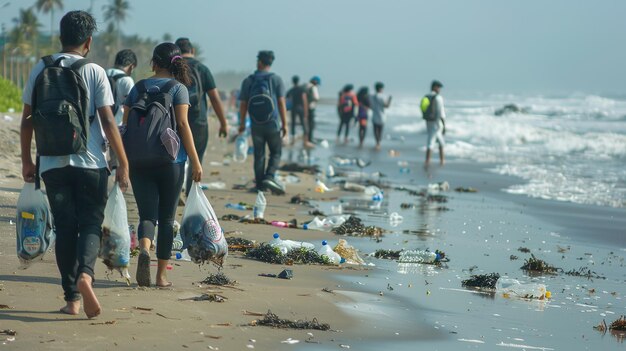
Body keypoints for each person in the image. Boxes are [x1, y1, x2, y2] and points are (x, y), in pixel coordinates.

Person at [20, 10, 129, 319]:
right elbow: (108, 121)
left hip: (52, 163)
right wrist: (123, 163)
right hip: (91, 162)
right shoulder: (94, 71)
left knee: (65, 228)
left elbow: (27, 120)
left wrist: (28, 160)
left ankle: (72, 300)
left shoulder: (40, 67)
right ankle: (85, 275)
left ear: (60, 37)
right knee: (91, 223)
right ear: (89, 41)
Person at [122, 42, 203, 287]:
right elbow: (183, 125)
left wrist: (123, 161)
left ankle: (144, 248)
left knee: (147, 215)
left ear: (154, 63)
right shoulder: (178, 89)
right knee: (167, 218)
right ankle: (161, 276)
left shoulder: (138, 87)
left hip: (138, 160)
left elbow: (126, 127)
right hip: (171, 161)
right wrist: (196, 161)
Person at [174, 38, 228, 196]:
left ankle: (174, 195)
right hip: (198, 120)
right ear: (193, 51)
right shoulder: (202, 69)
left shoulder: (174, 68)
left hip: (175, 120)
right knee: (195, 159)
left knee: (175, 158)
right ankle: (191, 195)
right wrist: (223, 123)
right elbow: (214, 98)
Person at [238, 50, 287, 194]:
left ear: (259, 62)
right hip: (272, 123)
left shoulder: (249, 80)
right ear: (270, 63)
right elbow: (281, 103)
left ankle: (260, 185)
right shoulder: (276, 79)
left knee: (259, 154)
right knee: (276, 152)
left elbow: (243, 104)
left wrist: (242, 123)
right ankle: (270, 177)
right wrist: (285, 124)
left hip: (255, 123)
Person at [106, 49, 137, 170]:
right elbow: (132, 105)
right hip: (118, 126)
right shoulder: (127, 80)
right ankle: (115, 185)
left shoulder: (104, 72)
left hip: (99, 123)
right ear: (131, 66)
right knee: (118, 160)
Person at [285, 75, 313, 147]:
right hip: (300, 107)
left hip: (293, 108)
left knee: (293, 124)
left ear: (292, 81)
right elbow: (304, 100)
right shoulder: (302, 89)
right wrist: (306, 111)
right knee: (304, 124)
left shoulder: (291, 90)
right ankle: (306, 141)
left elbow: (287, 99)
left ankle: (293, 140)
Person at [424, 80, 446, 166]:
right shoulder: (438, 97)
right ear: (435, 87)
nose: (439, 89)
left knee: (440, 142)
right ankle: (428, 161)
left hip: (429, 121)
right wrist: (444, 124)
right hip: (436, 123)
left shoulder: (426, 96)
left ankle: (442, 160)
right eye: (439, 87)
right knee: (431, 142)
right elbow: (441, 112)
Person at [369, 82, 392, 150]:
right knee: (380, 130)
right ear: (380, 88)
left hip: (374, 115)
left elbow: (370, 105)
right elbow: (386, 105)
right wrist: (390, 99)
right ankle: (378, 143)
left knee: (375, 130)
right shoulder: (381, 96)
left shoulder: (372, 96)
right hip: (381, 116)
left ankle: (377, 142)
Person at [305, 76, 321, 143]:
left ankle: (306, 138)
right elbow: (316, 97)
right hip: (311, 107)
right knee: (311, 124)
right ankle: (310, 139)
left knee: (306, 124)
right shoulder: (313, 87)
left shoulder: (306, 86)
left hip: (304, 107)